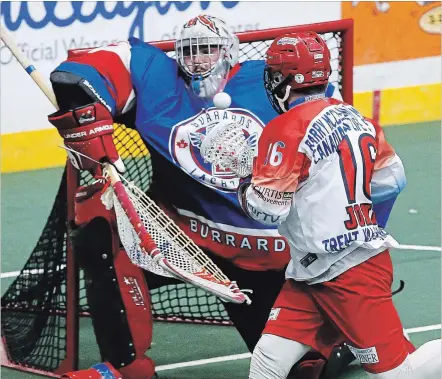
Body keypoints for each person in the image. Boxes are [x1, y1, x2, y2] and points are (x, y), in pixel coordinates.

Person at [48, 15, 390, 379]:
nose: (198, 60)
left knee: (300, 371)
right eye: (190, 51)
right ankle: (125, 367)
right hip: (177, 241)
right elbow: (76, 73)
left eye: (208, 49)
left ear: (228, 50)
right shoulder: (158, 78)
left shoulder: (274, 84)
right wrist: (88, 122)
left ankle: (338, 337)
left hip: (266, 258)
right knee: (98, 223)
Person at [220, 31, 441, 379]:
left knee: (400, 373)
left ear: (282, 79)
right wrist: (357, 220)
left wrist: (244, 182)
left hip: (349, 273)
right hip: (314, 272)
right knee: (268, 359)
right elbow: (391, 180)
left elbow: (268, 210)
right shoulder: (354, 116)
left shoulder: (285, 128)